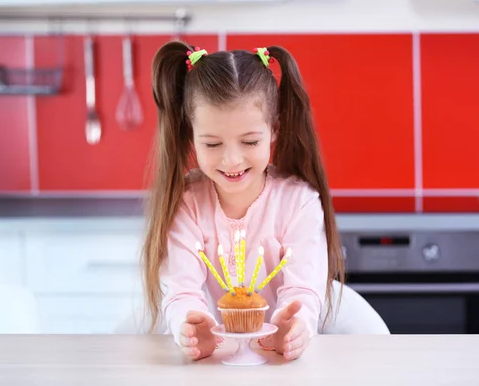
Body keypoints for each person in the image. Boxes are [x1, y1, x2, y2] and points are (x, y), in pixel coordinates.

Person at [140, 40, 345, 362]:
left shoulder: (299, 204)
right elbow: (183, 291)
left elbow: (302, 291)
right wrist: (190, 326)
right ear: (190, 134)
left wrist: (296, 325)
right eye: (212, 144)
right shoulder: (186, 203)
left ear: (274, 130)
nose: (232, 160)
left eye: (249, 141)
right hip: (215, 363)